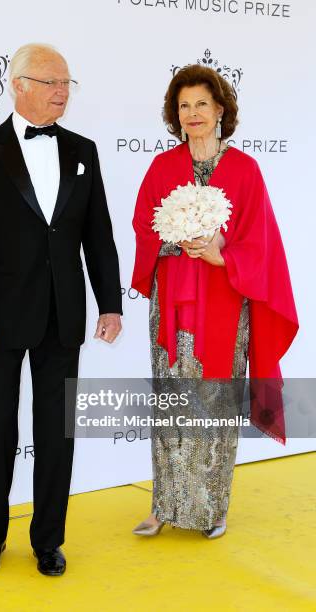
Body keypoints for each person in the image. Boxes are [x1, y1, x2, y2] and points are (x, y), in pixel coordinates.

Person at [0, 43, 122, 575]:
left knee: (57, 433)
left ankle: (48, 538)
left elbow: (99, 234)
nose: (62, 92)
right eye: (51, 82)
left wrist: (110, 303)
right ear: (18, 84)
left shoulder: (83, 149)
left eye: (67, 83)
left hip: (62, 316)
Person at [131, 64, 298, 539]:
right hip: (173, 305)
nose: (193, 114)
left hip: (226, 304)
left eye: (202, 104)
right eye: (184, 106)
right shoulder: (163, 167)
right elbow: (145, 225)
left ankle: (211, 509)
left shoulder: (245, 170)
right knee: (171, 401)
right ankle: (164, 505)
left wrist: (222, 255)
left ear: (220, 109)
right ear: (175, 114)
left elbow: (262, 243)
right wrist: (174, 239)